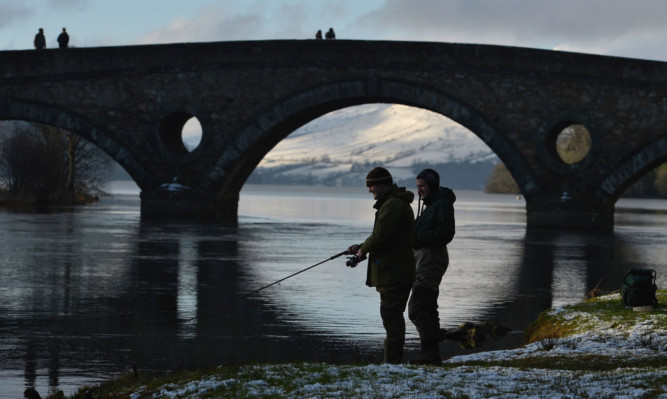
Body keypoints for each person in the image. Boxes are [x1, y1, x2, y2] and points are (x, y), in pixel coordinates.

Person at [347, 167, 416, 364]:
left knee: (391, 316)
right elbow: (386, 238)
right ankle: (392, 362)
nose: (369, 190)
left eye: (371, 185)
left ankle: (392, 364)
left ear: (383, 184)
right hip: (393, 271)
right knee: (391, 315)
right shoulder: (391, 203)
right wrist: (361, 249)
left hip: (395, 272)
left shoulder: (393, 205)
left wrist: (362, 251)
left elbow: (380, 236)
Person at [408, 168, 456, 365]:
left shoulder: (442, 205)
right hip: (423, 262)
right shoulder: (431, 205)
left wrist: (416, 238)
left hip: (431, 262)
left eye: (423, 186)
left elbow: (446, 234)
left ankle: (428, 352)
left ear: (432, 185)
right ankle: (433, 352)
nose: (420, 190)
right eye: (418, 186)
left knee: (417, 308)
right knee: (428, 307)